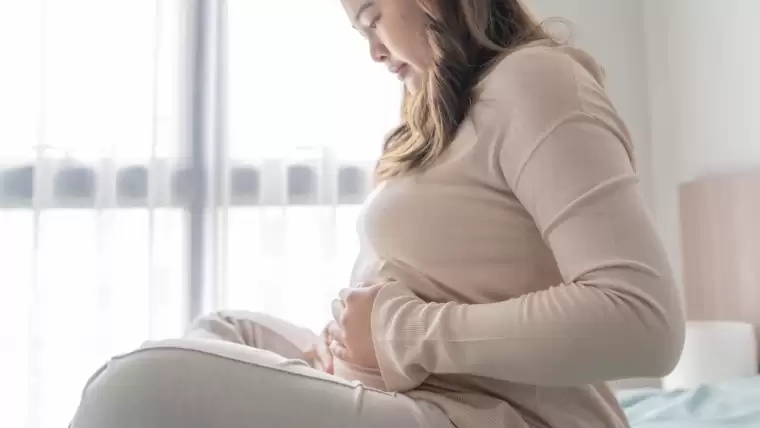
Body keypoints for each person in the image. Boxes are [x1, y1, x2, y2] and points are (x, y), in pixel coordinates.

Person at [69, 0, 686, 427]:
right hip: (408, 387)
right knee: (227, 329)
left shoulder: (537, 81)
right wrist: (347, 353)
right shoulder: (446, 115)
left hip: (487, 416)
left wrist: (397, 332)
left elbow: (643, 322)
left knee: (133, 390)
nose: (371, 51)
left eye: (371, 19)